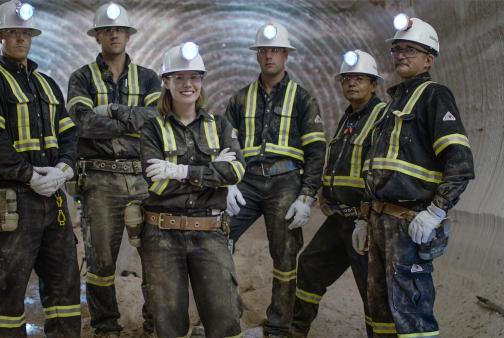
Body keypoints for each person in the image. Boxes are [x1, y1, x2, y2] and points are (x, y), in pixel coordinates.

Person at [0, 1, 80, 336]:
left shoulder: (47, 84)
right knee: (7, 290)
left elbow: (70, 135)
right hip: (12, 198)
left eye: (26, 33)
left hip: (53, 201)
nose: (21, 38)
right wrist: (30, 175)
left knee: (65, 288)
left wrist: (64, 169)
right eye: (13, 32)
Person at [361, 15, 475, 337]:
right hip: (380, 221)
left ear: (429, 59)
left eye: (411, 49)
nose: (400, 55)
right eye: (397, 49)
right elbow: (376, 166)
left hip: (409, 224)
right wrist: (363, 215)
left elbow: (460, 162)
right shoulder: (389, 105)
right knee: (380, 311)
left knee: (411, 313)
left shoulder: (435, 96)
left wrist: (436, 212)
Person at [224, 22, 326, 337]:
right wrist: (227, 183)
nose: (269, 56)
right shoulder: (240, 99)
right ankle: (224, 316)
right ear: (257, 55)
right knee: (217, 238)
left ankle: (279, 326)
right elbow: (225, 146)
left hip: (285, 182)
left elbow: (316, 150)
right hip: (247, 182)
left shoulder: (302, 99)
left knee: (284, 255)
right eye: (264, 51)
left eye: (276, 50)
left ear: (285, 55)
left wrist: (306, 196)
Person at [66, 2, 161, 336]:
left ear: (128, 35)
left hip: (142, 178)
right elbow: (83, 123)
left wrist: (111, 109)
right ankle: (106, 328)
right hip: (99, 180)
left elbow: (156, 122)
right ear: (97, 36)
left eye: (119, 29)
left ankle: (155, 324)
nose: (114, 34)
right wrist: (130, 120)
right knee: (100, 263)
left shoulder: (149, 78)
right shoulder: (81, 78)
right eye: (107, 30)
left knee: (156, 258)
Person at [139, 42, 244, 337]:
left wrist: (180, 171)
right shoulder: (151, 129)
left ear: (202, 80)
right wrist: (213, 172)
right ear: (166, 82)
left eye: (195, 77)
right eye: (180, 78)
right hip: (162, 236)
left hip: (209, 232)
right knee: (169, 324)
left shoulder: (220, 125)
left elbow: (235, 170)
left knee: (224, 319)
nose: (188, 84)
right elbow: (156, 183)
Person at [291, 50, 386, 337]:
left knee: (372, 288)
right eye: (347, 78)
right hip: (341, 219)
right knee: (310, 265)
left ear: (373, 84)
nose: (351, 83)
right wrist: (325, 191)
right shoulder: (350, 118)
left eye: (359, 78)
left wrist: (367, 216)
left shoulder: (382, 118)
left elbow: (381, 169)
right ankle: (296, 329)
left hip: (365, 221)